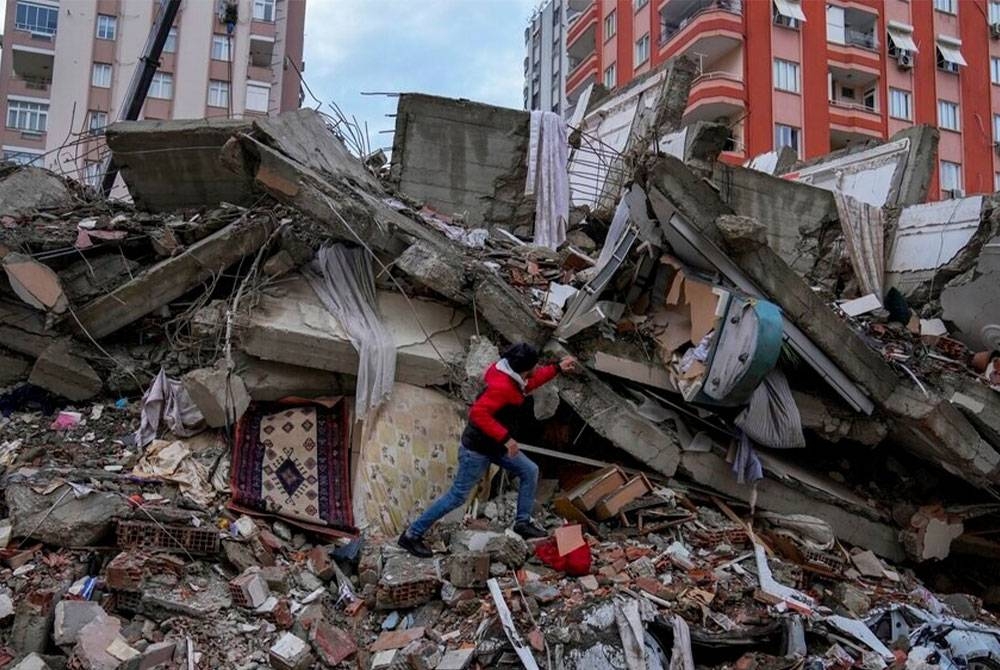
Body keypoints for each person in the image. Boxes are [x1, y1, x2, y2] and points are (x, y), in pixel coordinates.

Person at [398, 342, 578, 558]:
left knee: (529, 470)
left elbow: (528, 383)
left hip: (495, 446)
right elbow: (478, 413)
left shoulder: (509, 373)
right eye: (534, 365)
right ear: (524, 367)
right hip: (477, 449)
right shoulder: (502, 387)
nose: (537, 368)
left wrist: (557, 368)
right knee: (457, 496)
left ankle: (522, 522)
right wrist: (507, 439)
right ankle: (411, 535)